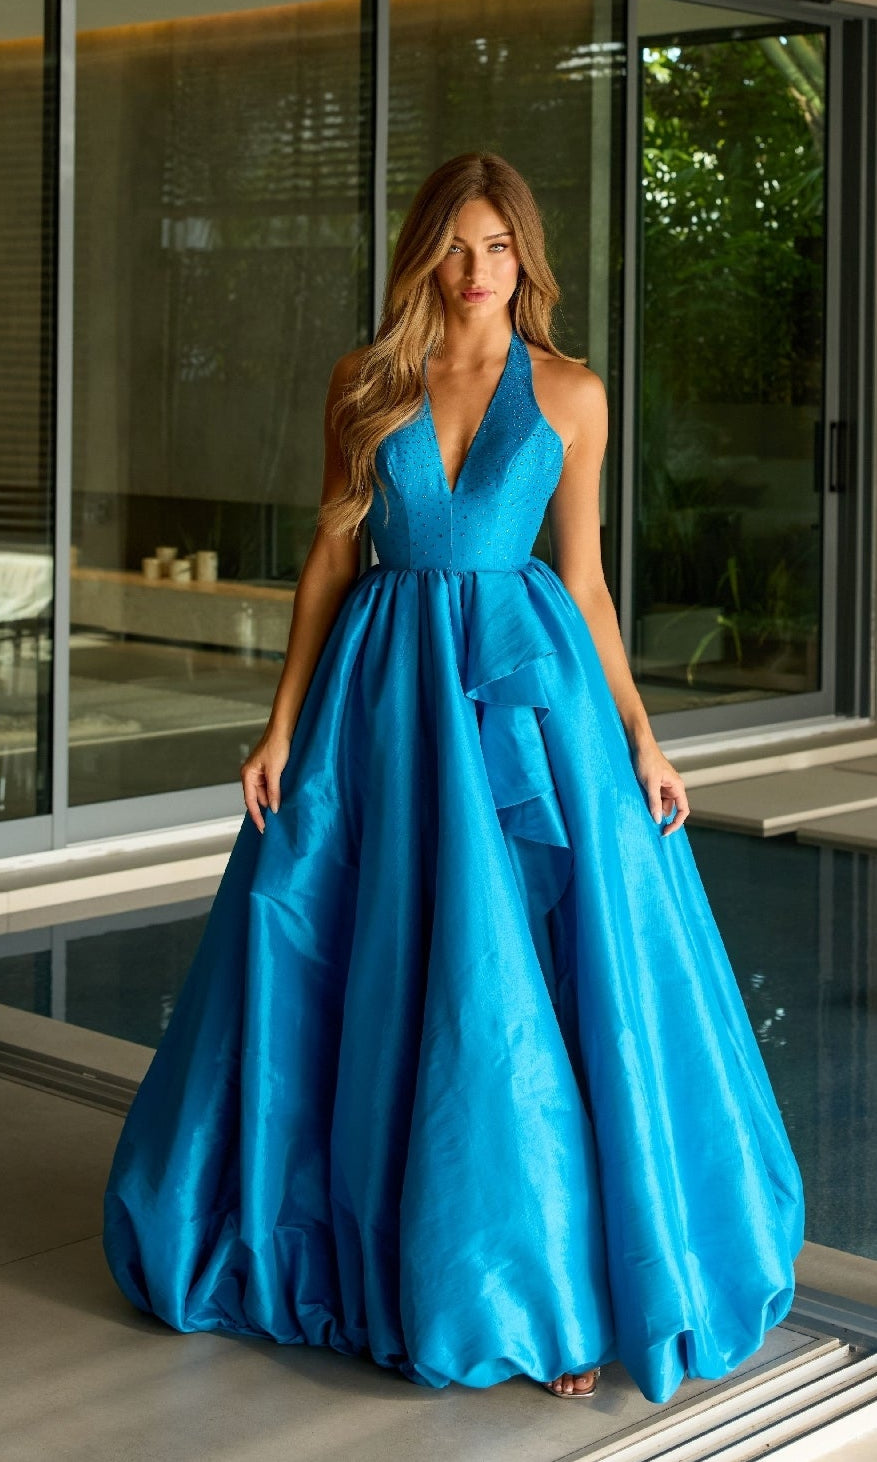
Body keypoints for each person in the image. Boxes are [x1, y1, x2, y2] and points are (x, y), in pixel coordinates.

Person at [102, 151, 805, 1405]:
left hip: (524, 695)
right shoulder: (366, 381)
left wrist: (642, 734)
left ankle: (550, 1288)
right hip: (380, 692)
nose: (477, 272)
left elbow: (585, 583)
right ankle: (379, 1254)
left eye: (498, 248)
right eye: (455, 246)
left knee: (528, 978)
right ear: (424, 251)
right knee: (373, 957)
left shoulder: (571, 393)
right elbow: (327, 558)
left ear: (526, 258)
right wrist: (277, 725)